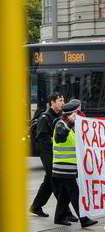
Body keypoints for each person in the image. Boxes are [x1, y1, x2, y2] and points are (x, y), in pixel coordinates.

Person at [29, 92, 77, 220]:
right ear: (52, 103)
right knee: (57, 182)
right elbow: (42, 138)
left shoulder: (61, 116)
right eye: (60, 100)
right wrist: (56, 139)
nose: (63, 102)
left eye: (63, 100)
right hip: (48, 154)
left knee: (49, 182)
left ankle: (36, 206)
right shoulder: (45, 117)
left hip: (57, 154)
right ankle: (65, 213)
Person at [51, 99, 98, 228]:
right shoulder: (60, 124)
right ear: (73, 113)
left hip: (68, 168)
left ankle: (59, 217)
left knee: (64, 195)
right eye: (78, 112)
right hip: (64, 168)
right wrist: (70, 123)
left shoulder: (72, 126)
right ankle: (83, 219)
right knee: (74, 193)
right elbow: (59, 137)